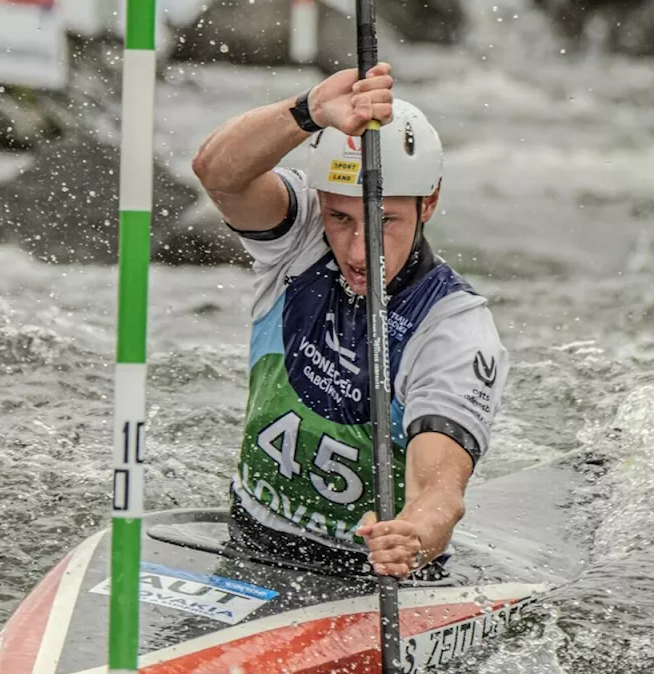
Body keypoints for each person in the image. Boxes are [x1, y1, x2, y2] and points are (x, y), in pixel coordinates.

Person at [190, 63, 508, 580]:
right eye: (341, 218)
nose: (359, 251)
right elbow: (217, 172)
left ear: (428, 202)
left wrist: (413, 536)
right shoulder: (300, 236)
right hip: (249, 538)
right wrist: (309, 110)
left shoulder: (454, 331)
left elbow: (440, 491)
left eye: (385, 222)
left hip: (369, 574)